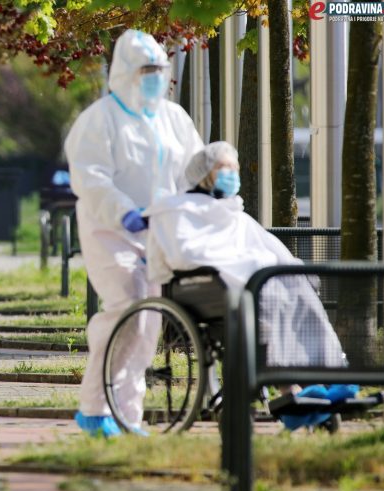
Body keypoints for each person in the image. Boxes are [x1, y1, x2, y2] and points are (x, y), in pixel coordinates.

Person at [145, 141, 357, 430]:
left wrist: (294, 271)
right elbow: (184, 254)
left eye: (236, 169)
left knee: (296, 287)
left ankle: (330, 374)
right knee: (268, 296)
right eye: (224, 168)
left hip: (244, 282)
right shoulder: (177, 209)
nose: (232, 174)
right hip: (203, 286)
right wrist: (240, 264)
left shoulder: (234, 214)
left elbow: (270, 248)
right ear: (205, 172)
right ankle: (289, 389)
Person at [64, 29, 204, 438]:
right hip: (110, 231)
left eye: (160, 69)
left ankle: (127, 414)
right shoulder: (100, 119)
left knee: (147, 323)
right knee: (127, 306)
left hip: (158, 232)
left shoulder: (173, 118)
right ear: (126, 71)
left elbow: (193, 168)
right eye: (147, 69)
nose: (155, 77)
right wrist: (123, 212)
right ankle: (94, 408)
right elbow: (90, 179)